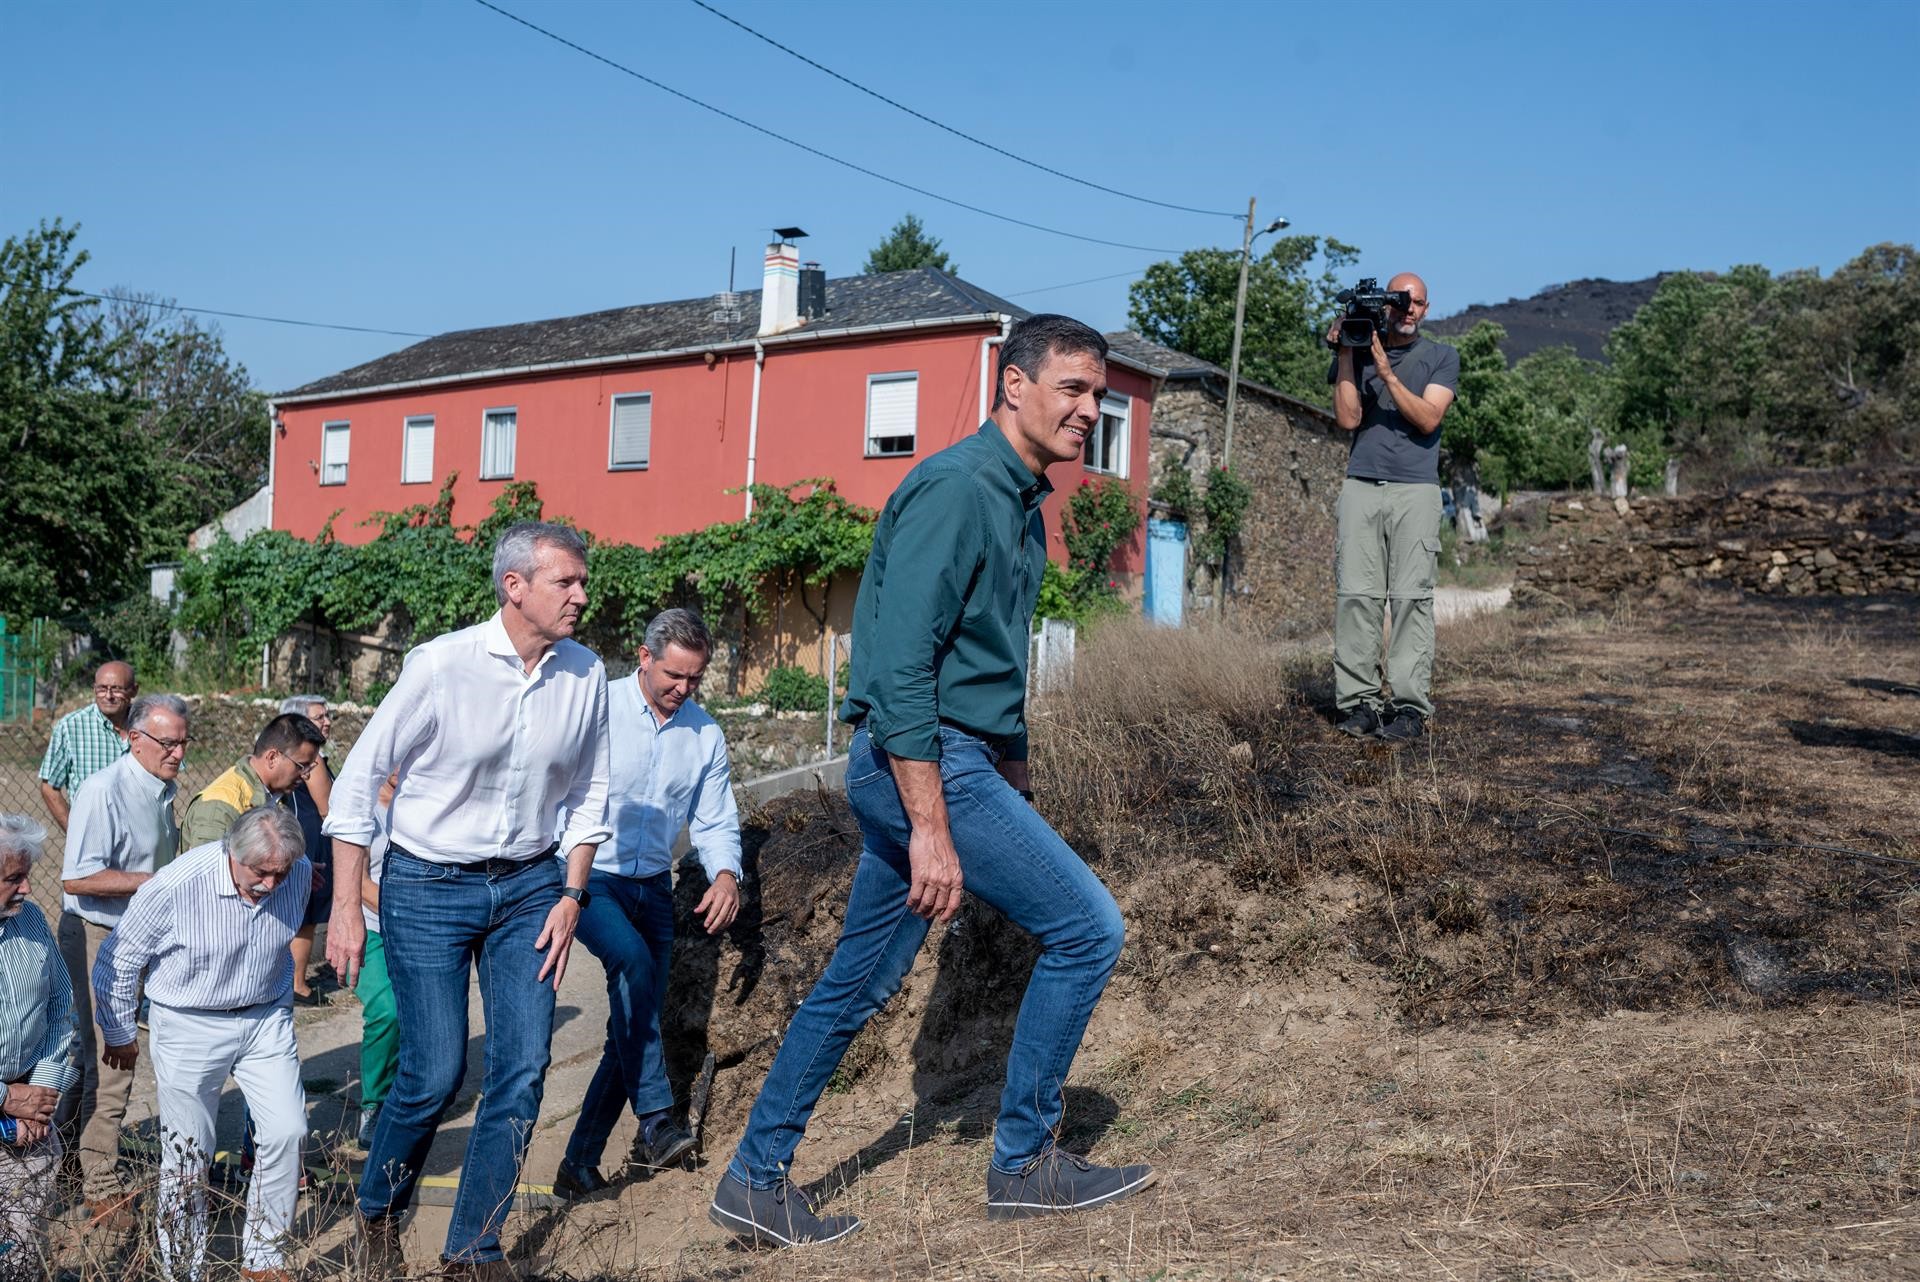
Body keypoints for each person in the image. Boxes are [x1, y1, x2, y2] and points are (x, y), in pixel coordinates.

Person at [710, 315, 1149, 1248]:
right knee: (1088, 930)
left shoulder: (1021, 501)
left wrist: (1015, 779)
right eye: (1071, 389)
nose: (1088, 410)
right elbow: (901, 666)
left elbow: (991, 665)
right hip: (923, 760)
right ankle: (1025, 1163)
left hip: (955, 759)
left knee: (854, 988)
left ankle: (754, 1180)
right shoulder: (956, 488)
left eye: (1096, 395)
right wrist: (934, 825)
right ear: (1015, 385)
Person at [324, 520, 610, 1277]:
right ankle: (379, 1211)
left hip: (530, 888)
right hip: (427, 885)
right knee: (436, 1070)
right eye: (566, 583)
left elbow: (590, 794)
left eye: (583, 582)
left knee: (521, 1069)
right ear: (514, 586)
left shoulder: (585, 674)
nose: (582, 595)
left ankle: (471, 1250)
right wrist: (348, 907)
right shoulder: (441, 667)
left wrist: (572, 891)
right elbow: (357, 784)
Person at [554, 608, 741, 1199]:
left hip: (654, 887)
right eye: (673, 676)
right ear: (644, 657)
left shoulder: (704, 734)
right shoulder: (598, 708)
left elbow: (714, 819)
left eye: (694, 679)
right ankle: (658, 1121)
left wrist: (727, 874)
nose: (682, 690)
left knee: (631, 1026)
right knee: (631, 965)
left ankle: (577, 1164)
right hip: (591, 878)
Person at [93, 807, 311, 1282]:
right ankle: (182, 1269)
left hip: (264, 1016)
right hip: (189, 1023)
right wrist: (119, 1030)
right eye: (261, 873)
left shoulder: (299, 871)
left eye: (282, 872)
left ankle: (264, 1260)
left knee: (287, 1131)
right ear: (233, 853)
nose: (273, 884)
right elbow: (118, 958)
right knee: (190, 1152)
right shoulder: (175, 886)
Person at [57, 692, 188, 1229]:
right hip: (96, 933)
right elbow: (76, 878)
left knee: (93, 1059)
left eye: (183, 742)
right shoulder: (102, 790)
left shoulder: (161, 787)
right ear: (135, 738)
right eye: (168, 742)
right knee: (112, 1060)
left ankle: (67, 1165)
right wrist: (154, 883)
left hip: (131, 933)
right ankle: (99, 1187)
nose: (178, 752)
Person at [1327, 272, 1459, 743]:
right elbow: (1347, 419)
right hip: (1361, 485)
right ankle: (1359, 702)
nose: (1408, 310)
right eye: (1399, 302)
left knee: (1410, 601)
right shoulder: (1359, 348)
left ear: (1426, 307)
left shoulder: (1442, 356)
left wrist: (1384, 370)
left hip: (1415, 489)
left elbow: (1428, 418)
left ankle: (1408, 707)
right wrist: (1347, 351)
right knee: (1357, 597)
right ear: (1384, 304)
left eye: (1416, 303)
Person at [0, 815, 80, 1278]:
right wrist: (7, 1099)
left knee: (22, 1244)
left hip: (30, 1110)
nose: (28, 888)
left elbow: (60, 1003)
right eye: (14, 877)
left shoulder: (28, 918)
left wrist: (40, 1096)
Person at [179, 713, 323, 855]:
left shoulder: (277, 796)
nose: (306, 774)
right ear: (272, 758)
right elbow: (209, 874)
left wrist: (296, 868)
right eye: (301, 766)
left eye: (310, 766)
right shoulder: (219, 808)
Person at [352, 772, 400, 1150]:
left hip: (421, 927)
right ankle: (374, 1104)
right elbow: (358, 883)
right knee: (387, 1010)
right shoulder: (363, 810)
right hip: (372, 927)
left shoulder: (429, 801)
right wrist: (406, 913)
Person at [278, 696, 336, 1003]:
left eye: (328, 716)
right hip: (311, 837)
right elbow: (327, 807)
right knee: (306, 915)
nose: (326, 721)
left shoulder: (302, 755)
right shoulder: (311, 760)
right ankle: (298, 985)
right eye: (318, 717)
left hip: (305, 834)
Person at [36, 661, 137, 832]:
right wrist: (77, 834)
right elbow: (49, 788)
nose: (109, 695)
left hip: (142, 835)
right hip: (95, 836)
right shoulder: (71, 726)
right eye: (102, 688)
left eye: (117, 689)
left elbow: (164, 783)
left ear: (134, 690)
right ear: (94, 689)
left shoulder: (148, 725)